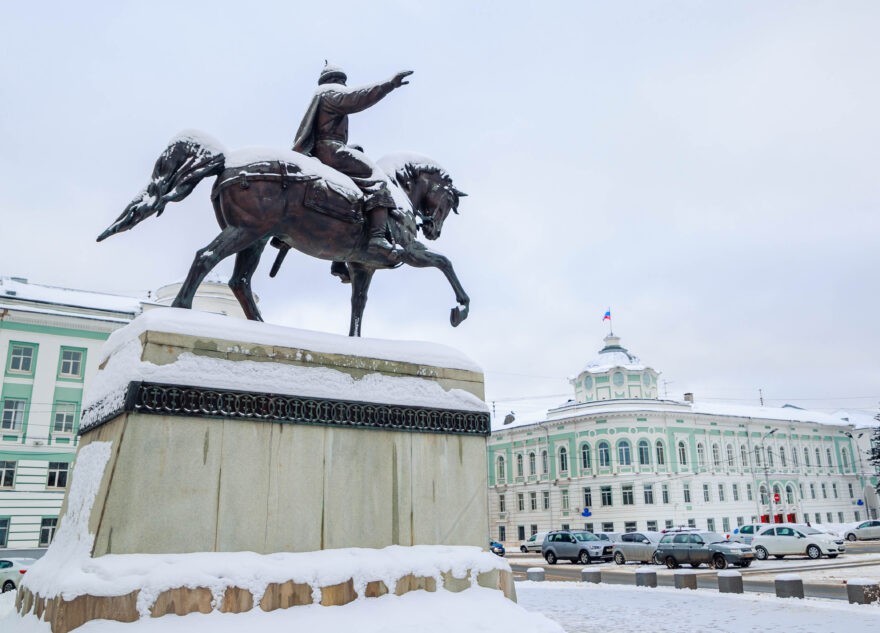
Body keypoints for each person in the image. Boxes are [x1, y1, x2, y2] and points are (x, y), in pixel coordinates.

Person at [293, 63, 413, 263]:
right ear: (337, 81)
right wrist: (389, 85)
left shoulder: (319, 96)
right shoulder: (330, 92)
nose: (345, 86)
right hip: (330, 150)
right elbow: (357, 99)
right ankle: (376, 238)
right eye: (343, 83)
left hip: (325, 149)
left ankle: (342, 256)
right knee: (376, 179)